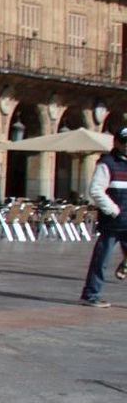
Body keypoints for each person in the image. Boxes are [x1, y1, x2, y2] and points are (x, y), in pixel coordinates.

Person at [79, 127, 127, 308]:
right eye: (124, 141)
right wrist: (113, 210)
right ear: (117, 143)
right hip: (113, 223)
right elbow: (96, 190)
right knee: (101, 260)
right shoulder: (107, 164)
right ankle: (91, 295)